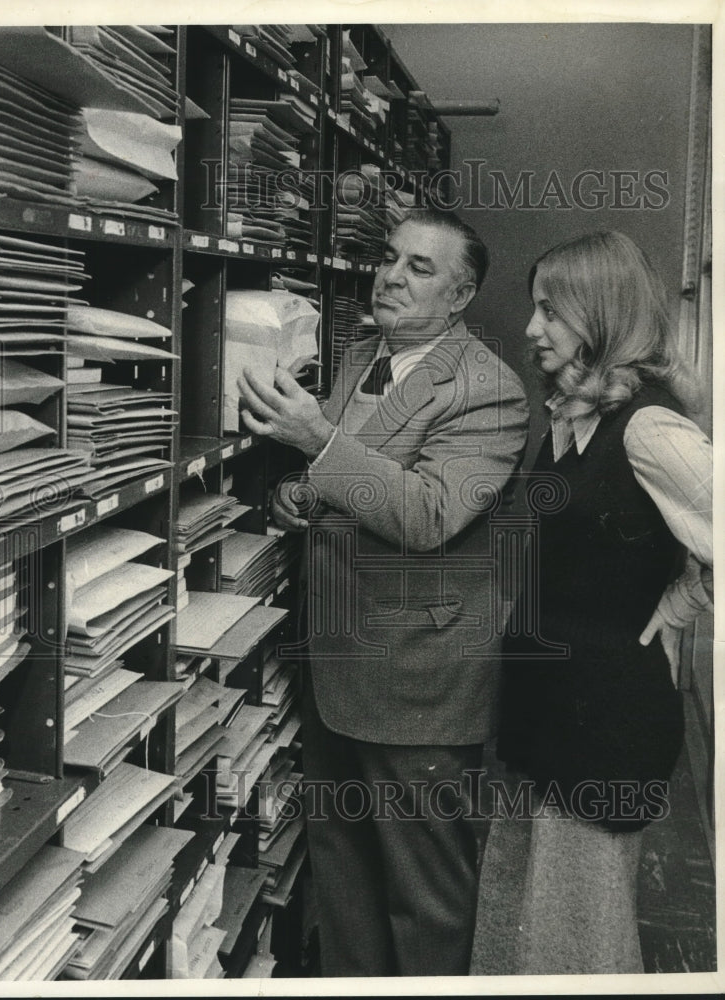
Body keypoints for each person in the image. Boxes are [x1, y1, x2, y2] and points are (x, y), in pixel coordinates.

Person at [237, 207, 529, 976]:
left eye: (420, 269)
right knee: (345, 876)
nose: (391, 276)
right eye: (390, 258)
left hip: (418, 685)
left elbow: (432, 512)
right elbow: (341, 477)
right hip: (339, 666)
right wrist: (299, 496)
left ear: (461, 296)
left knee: (424, 896)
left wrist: (317, 446)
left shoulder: (487, 390)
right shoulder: (362, 355)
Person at [492, 230, 713, 974]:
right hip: (542, 711)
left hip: (603, 726)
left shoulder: (648, 427)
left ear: (602, 315)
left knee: (577, 938)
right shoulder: (570, 416)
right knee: (523, 917)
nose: (531, 329)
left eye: (550, 311)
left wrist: (681, 604)